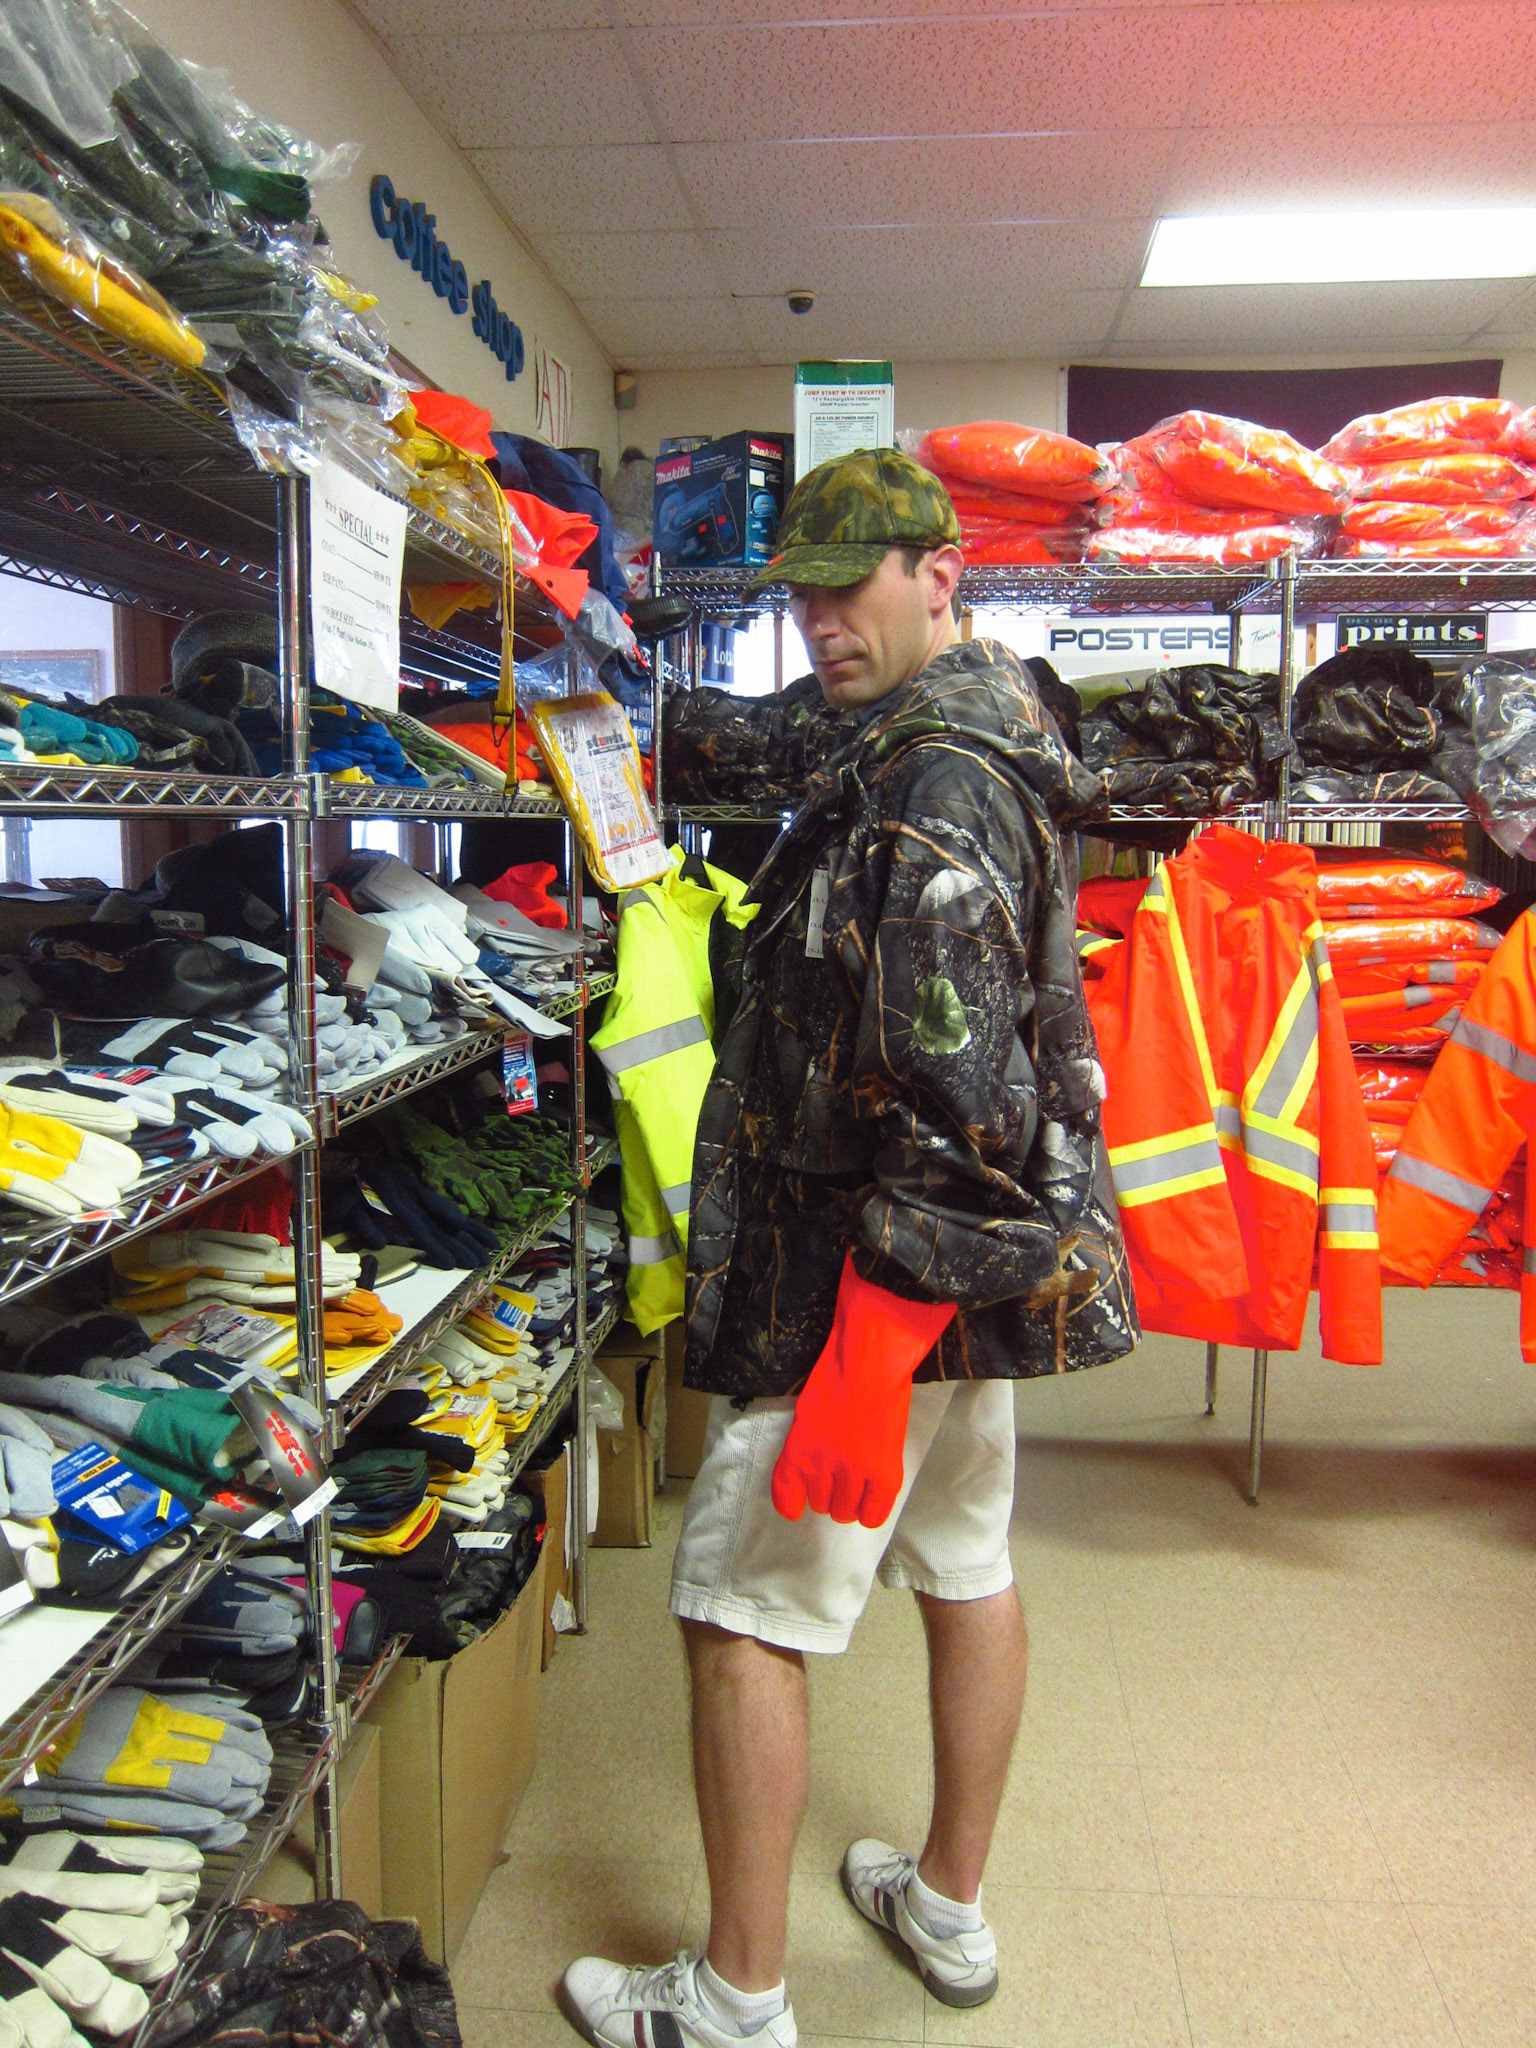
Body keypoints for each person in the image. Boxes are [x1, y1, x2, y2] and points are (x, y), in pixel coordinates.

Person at [562, 447, 1139, 2048]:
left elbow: (954, 1096)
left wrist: (867, 1362)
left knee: (741, 1610)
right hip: (974, 1277)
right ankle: (946, 1902)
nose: (823, 618)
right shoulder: (975, 727)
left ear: (938, 568)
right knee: (965, 1561)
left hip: (864, 1279)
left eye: (853, 584)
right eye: (804, 592)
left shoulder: (934, 777)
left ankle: (733, 2002)